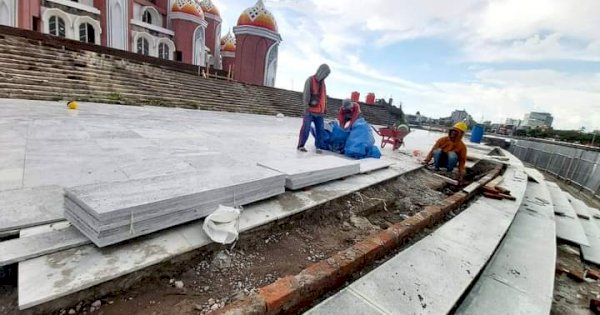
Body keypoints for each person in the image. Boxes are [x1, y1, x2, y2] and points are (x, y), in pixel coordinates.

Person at [297, 64, 331, 153]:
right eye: (325, 74)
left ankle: (318, 147)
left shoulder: (323, 83)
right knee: (306, 129)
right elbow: (306, 95)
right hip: (310, 111)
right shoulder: (310, 80)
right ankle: (301, 145)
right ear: (321, 71)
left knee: (320, 130)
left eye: (327, 75)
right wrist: (306, 108)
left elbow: (324, 97)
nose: (326, 76)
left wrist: (325, 108)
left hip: (320, 112)